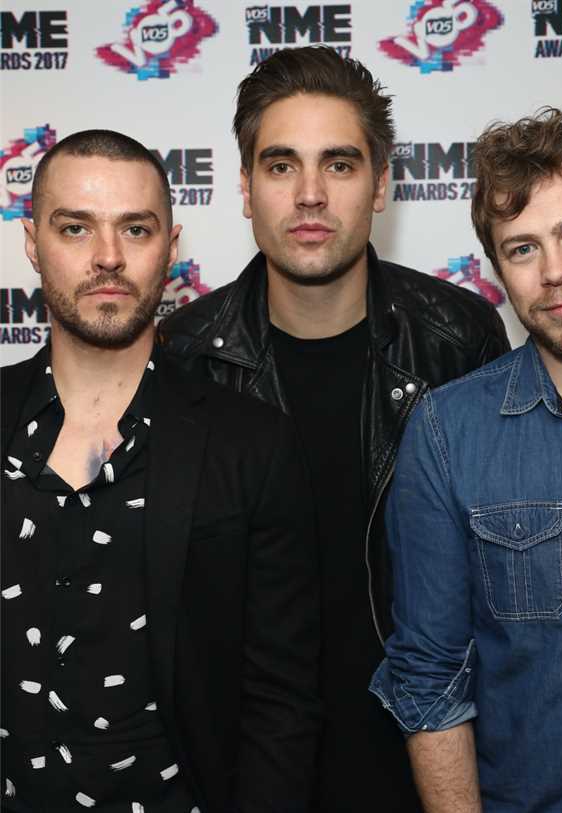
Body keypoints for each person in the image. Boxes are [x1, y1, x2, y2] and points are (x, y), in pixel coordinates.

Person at [158, 47, 508, 812]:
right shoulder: (182, 357)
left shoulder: (458, 337)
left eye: (340, 165)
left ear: (382, 184)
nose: (310, 195)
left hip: (424, 762)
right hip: (245, 770)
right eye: (281, 166)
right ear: (245, 188)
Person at [2, 129, 321, 812]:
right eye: (75, 228)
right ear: (32, 241)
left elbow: (282, 702)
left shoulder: (251, 444)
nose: (108, 257)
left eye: (136, 229)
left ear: (170, 249)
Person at [369, 108, 562, 812]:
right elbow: (429, 676)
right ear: (497, 272)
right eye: (522, 249)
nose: (556, 272)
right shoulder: (447, 431)